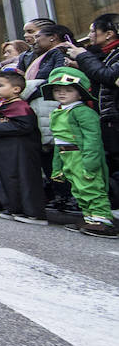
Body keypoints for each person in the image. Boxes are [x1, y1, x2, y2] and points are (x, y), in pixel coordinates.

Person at [44, 68, 117, 238]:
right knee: (78, 189)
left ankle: (104, 222)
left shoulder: (83, 112)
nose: (62, 93)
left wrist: (91, 163)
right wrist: (57, 166)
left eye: (69, 90)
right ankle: (90, 219)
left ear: (80, 93)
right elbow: (58, 141)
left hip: (81, 155)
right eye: (57, 90)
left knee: (92, 187)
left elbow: (93, 140)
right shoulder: (58, 112)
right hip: (67, 156)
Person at [0, 70, 47, 224]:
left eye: (0, 85)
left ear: (16, 89)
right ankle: (14, 208)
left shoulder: (21, 106)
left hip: (20, 150)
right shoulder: (3, 105)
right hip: (5, 150)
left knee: (24, 178)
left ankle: (33, 212)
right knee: (8, 178)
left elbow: (24, 126)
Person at [67, 14, 119, 205]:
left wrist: (82, 56)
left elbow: (107, 76)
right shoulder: (103, 54)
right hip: (105, 116)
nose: (89, 35)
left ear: (109, 34)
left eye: (93, 31)